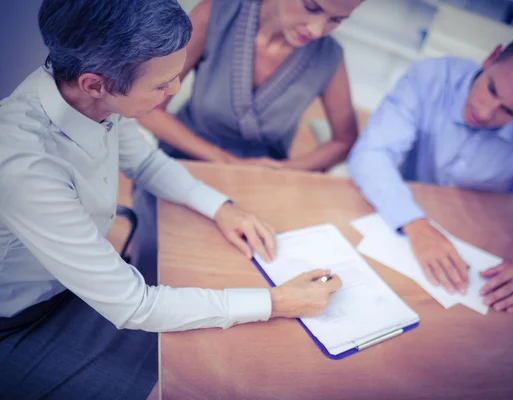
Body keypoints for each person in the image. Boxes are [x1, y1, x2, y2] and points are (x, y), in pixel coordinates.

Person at [0, 0, 341, 398]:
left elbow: (146, 162)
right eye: (162, 85)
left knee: (207, 343)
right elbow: (135, 306)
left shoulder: (84, 95)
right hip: (21, 323)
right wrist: (277, 301)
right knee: (196, 380)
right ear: (95, 83)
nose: (176, 90)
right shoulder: (26, 164)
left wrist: (222, 207)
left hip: (76, 289)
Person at [348, 33, 513, 313]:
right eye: (491, 88)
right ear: (491, 58)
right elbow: (371, 155)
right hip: (402, 213)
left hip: (480, 234)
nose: (485, 111)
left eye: (509, 111)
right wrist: (416, 225)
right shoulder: (431, 77)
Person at [131, 0, 363, 269]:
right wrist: (224, 160)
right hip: (181, 165)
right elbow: (147, 107)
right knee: (165, 265)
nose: (316, 29)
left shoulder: (329, 57)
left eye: (337, 20)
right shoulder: (216, 13)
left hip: (261, 183)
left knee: (256, 267)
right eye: (312, 8)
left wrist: (285, 169)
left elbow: (344, 141)